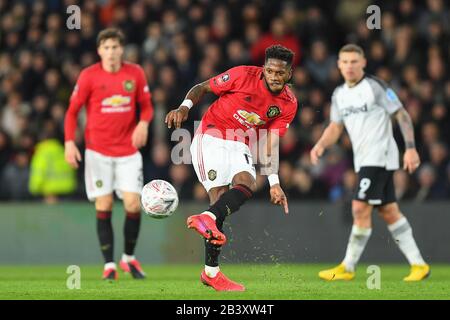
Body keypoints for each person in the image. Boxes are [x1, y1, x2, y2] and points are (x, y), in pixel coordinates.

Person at [165, 45, 298, 291]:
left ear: (289, 74)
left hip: (241, 143)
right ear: (263, 69)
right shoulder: (242, 75)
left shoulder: (288, 104)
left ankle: (207, 220)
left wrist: (275, 183)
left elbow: (269, 145)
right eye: (270, 71)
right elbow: (202, 88)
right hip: (211, 136)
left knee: (246, 184)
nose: (274, 77)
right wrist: (184, 107)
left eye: (280, 73)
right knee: (218, 199)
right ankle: (212, 273)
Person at [310, 44, 430, 282]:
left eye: (354, 61)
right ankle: (419, 265)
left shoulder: (376, 87)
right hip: (363, 159)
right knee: (389, 211)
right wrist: (321, 144)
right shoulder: (339, 94)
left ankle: (348, 266)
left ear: (363, 63)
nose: (350, 66)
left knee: (359, 207)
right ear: (339, 65)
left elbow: (402, 114)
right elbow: (335, 126)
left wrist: (411, 148)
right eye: (345, 62)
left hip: (380, 156)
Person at [64, 28, 154, 280]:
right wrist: (69, 142)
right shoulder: (89, 75)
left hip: (127, 150)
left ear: (122, 49)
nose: (111, 52)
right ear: (99, 50)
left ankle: (128, 258)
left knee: (133, 204)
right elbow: (72, 112)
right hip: (98, 152)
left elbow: (147, 107)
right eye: (106, 47)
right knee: (104, 204)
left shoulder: (134, 73)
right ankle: (109, 266)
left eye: (115, 47)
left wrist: (143, 124)